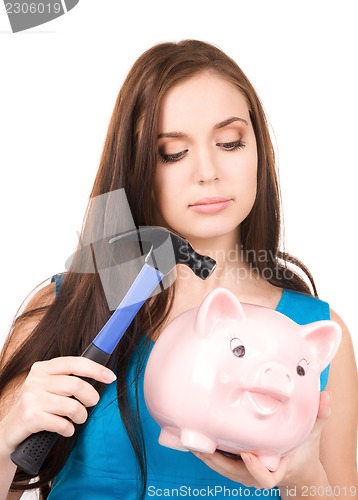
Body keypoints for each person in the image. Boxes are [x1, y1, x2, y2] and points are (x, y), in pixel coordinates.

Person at [0, 39, 357, 500]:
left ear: (258, 151)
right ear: (137, 166)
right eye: (172, 152)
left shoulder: (318, 333)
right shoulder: (67, 307)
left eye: (229, 143)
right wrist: (6, 437)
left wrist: (305, 477)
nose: (207, 171)